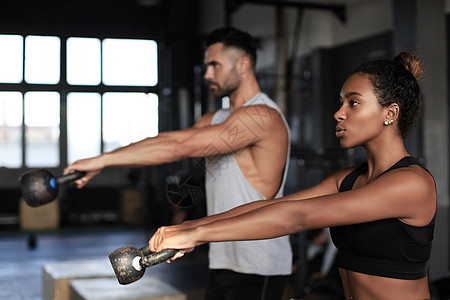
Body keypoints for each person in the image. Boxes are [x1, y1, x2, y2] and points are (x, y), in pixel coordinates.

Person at [148, 52, 437, 300]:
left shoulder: (412, 183)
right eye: (340, 102)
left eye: (353, 103)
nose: (338, 113)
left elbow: (296, 217)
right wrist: (189, 229)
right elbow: (272, 206)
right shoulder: (347, 179)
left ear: (391, 112)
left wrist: (197, 235)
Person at [64, 27, 292, 300]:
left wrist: (103, 160)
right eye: (206, 66)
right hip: (221, 259)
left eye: (214, 65)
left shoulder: (262, 116)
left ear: (243, 64)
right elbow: (176, 144)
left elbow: (180, 146)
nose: (207, 74)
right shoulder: (213, 119)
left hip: (258, 263)